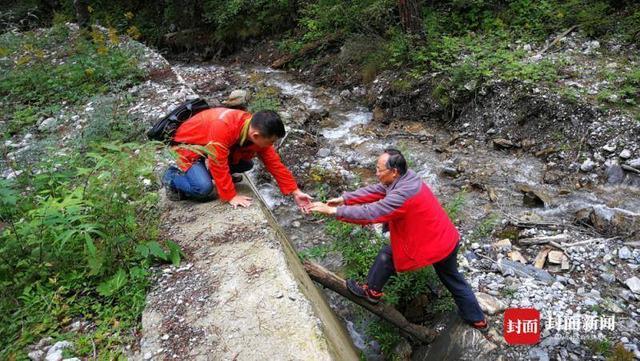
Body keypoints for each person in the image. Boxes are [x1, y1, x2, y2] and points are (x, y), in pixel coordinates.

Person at [309, 148, 488, 330]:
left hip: (434, 243)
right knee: (453, 279)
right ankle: (477, 319)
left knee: (388, 255)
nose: (377, 174)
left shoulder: (403, 194)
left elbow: (372, 212)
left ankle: (371, 291)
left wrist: (334, 211)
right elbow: (378, 190)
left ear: (394, 171)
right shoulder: (406, 176)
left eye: (380, 170)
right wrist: (344, 199)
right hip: (446, 238)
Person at [162, 107, 312, 211]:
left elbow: (274, 163)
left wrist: (295, 191)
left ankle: (202, 173)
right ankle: (171, 177)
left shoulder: (253, 127)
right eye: (271, 142)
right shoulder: (224, 126)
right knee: (203, 188)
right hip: (187, 146)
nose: (272, 145)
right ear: (256, 136)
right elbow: (217, 162)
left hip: (207, 146)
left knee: (246, 164)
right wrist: (230, 196)